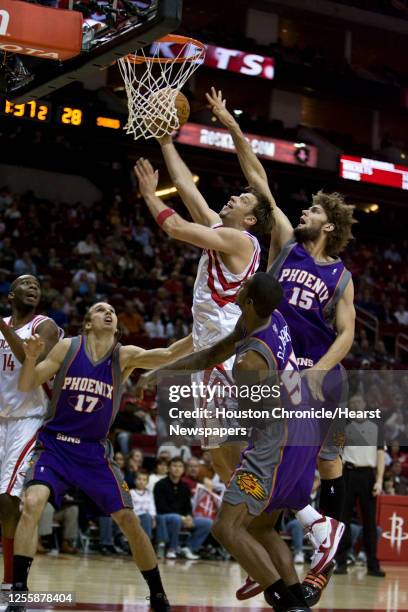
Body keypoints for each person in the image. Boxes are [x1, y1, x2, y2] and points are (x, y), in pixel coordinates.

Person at [206, 87, 354, 602]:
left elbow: (348, 333)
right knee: (230, 452)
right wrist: (230, 124)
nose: (304, 211)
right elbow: (258, 179)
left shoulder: (340, 274)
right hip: (274, 370)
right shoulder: (286, 243)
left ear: (328, 226)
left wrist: (320, 371)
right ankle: (279, 547)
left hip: (312, 380)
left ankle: (324, 535)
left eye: (313, 209)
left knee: (322, 466)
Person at [138, 273, 335, 611]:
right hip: (305, 429)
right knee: (261, 528)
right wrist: (161, 373)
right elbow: (210, 354)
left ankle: (288, 598)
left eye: (243, 289)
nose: (238, 287)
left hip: (280, 441)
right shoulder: (272, 319)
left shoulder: (248, 362)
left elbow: (258, 422)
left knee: (227, 528)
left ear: (248, 302)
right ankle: (295, 597)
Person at [5, 302, 194, 612]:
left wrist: (200, 331)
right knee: (32, 502)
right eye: (99, 309)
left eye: (113, 311)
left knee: (129, 521)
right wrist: (28, 358)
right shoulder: (68, 347)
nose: (109, 312)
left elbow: (170, 354)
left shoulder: (124, 355)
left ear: (116, 325)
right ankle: (19, 593)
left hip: (93, 452)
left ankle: (158, 594)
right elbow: (27, 383)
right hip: (55, 446)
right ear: (88, 323)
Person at [134, 151, 272, 484]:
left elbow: (176, 227)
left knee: (237, 460)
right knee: (223, 465)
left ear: (250, 219)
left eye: (242, 199)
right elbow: (185, 187)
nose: (234, 196)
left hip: (226, 361)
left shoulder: (240, 240)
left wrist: (150, 196)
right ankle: (252, 525)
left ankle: (298, 517)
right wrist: (166, 142)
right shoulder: (224, 236)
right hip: (212, 354)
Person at [0, 275, 60, 590]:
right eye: (26, 284)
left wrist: (3, 328)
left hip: (29, 419)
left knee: (9, 497)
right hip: (1, 418)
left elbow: (30, 361)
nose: (34, 287)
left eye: (37, 285)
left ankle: (11, 580)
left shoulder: (45, 326)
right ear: (11, 294)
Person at [334, 393, 386, 577]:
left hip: (367, 476)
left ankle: (373, 564)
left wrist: (379, 480)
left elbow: (380, 454)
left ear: (365, 404)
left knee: (370, 521)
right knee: (343, 520)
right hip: (347, 473)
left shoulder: (376, 427)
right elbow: (336, 454)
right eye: (353, 403)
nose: (356, 405)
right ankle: (341, 561)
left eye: (359, 402)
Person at [154, 457, 213, 561]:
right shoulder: (160, 485)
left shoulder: (185, 487)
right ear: (168, 469)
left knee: (207, 523)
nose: (177, 469)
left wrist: (189, 516)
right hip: (164, 517)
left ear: (183, 470)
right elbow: (161, 507)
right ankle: (172, 549)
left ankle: (189, 548)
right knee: (175, 518)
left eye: (180, 466)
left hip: (182, 518)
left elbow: (188, 507)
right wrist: (181, 517)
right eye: (174, 466)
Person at [130, 470, 156, 539]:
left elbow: (152, 507)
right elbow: (130, 507)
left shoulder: (149, 493)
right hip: (135, 515)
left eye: (144, 480)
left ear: (147, 482)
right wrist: (134, 515)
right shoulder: (131, 492)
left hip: (147, 517)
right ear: (135, 481)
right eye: (139, 479)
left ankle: (147, 540)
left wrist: (153, 518)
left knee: (147, 517)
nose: (141, 482)